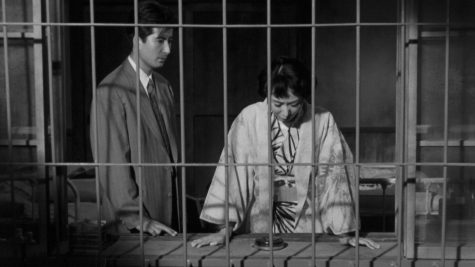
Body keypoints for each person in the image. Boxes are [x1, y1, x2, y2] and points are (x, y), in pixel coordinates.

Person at [190, 57, 379, 249]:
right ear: (266, 94)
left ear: (304, 96)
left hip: (309, 221)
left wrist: (344, 233)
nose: (286, 112)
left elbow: (335, 177)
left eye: (294, 103)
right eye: (278, 104)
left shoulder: (323, 120)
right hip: (260, 221)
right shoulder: (250, 118)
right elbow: (234, 175)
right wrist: (224, 230)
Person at [90, 0, 178, 237]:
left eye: (171, 41)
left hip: (168, 210)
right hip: (136, 222)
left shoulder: (164, 86)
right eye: (160, 40)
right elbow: (112, 164)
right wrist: (138, 218)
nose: (168, 49)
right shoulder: (110, 90)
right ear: (137, 39)